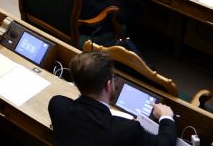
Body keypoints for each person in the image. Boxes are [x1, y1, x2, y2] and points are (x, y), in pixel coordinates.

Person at [48, 50, 176, 146]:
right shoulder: (127, 129)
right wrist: (166, 117)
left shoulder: (57, 105)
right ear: (108, 85)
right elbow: (164, 144)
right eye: (114, 78)